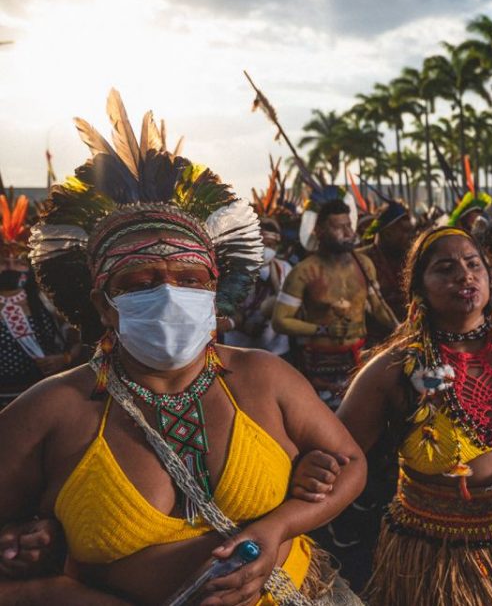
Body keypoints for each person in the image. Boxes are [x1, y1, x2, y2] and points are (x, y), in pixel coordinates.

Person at [1, 91, 366, 604]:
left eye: (190, 278)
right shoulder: (49, 411)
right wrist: (29, 556)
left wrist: (280, 525)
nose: (170, 293)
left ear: (214, 291)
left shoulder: (265, 378)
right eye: (141, 281)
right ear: (104, 305)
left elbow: (350, 461)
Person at [338, 226, 492, 606]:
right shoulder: (393, 368)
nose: (464, 274)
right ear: (419, 288)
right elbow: (341, 450)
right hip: (428, 552)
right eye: (445, 268)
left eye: (473, 264)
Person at [273, 198, 397, 407]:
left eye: (348, 225)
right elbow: (280, 320)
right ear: (319, 231)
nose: (348, 232)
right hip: (319, 365)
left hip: (358, 358)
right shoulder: (304, 272)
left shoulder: (364, 265)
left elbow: (377, 307)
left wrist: (400, 329)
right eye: (338, 227)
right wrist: (323, 330)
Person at [0, 194, 83, 406]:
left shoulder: (46, 300)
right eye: (2, 260)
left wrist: (64, 359)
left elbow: (80, 340)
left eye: (18, 261)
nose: (10, 267)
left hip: (40, 397)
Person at [222, 217, 292, 357]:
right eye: (260, 244)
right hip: (237, 349)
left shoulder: (285, 269)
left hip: (276, 351)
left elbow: (291, 307)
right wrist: (242, 326)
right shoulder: (232, 269)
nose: (265, 250)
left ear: (276, 247)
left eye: (270, 245)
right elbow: (221, 308)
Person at [359, 201, 416, 341]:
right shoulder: (361, 260)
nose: (410, 237)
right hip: (373, 343)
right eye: (404, 231)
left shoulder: (413, 259)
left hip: (410, 339)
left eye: (410, 231)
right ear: (387, 232)